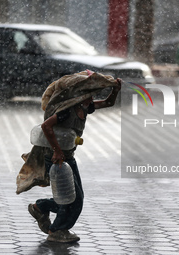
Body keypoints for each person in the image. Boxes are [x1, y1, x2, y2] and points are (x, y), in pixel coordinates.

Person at [28, 71, 121, 242]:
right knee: (73, 199)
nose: (92, 98)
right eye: (90, 95)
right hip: (56, 157)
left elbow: (108, 102)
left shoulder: (85, 107)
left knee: (71, 197)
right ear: (81, 95)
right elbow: (46, 126)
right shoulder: (67, 111)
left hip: (68, 156)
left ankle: (40, 207)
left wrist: (116, 89)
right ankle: (57, 230)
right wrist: (56, 150)